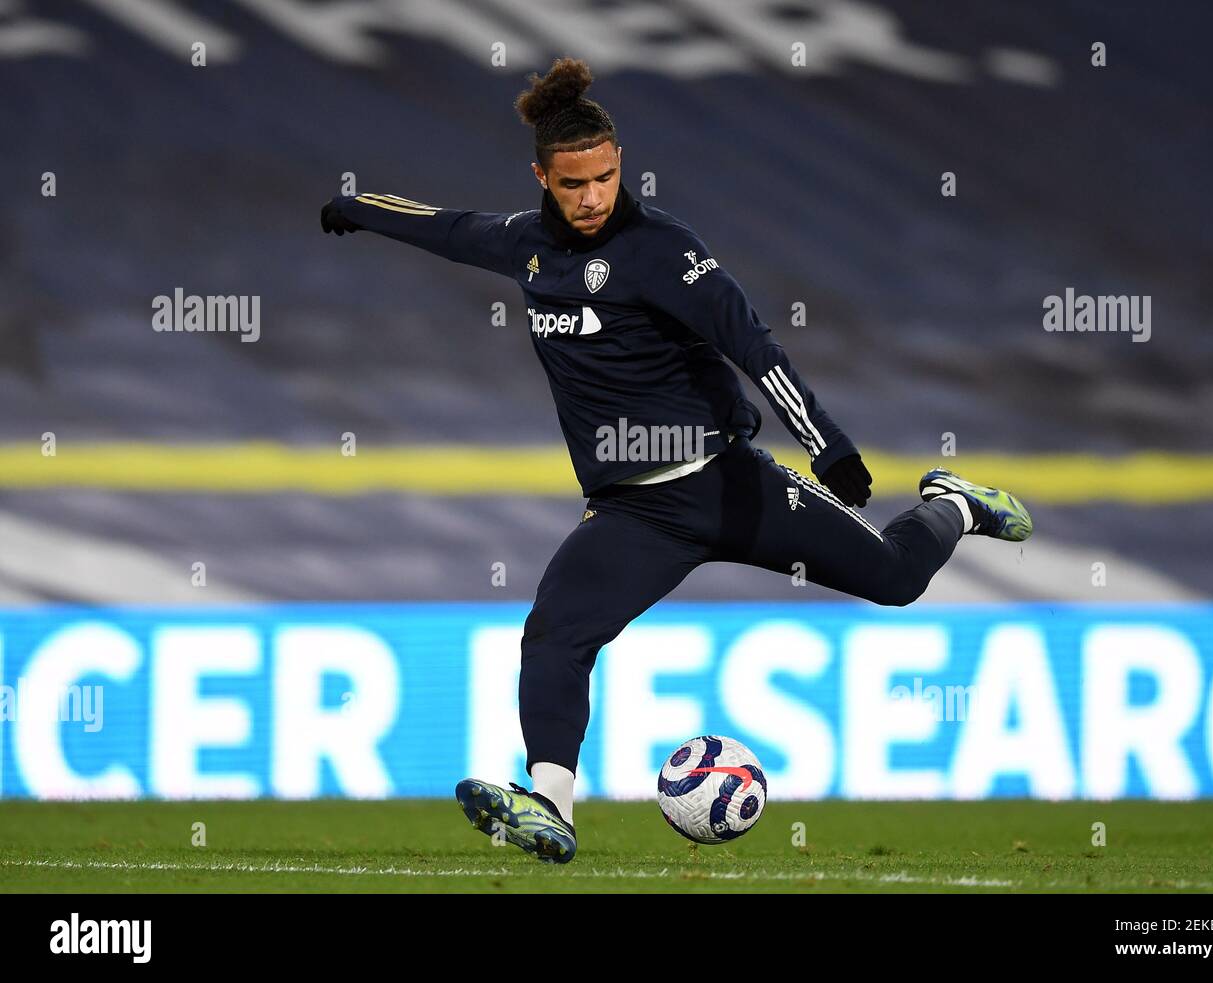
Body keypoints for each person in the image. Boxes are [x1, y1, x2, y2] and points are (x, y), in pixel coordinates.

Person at [320, 57, 1032, 864]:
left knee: (898, 580)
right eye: (573, 183)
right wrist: (358, 208)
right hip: (635, 514)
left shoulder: (662, 249)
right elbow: (446, 227)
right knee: (554, 635)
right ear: (542, 178)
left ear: (621, 165)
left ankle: (956, 502)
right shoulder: (527, 249)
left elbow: (750, 342)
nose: (593, 197)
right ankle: (550, 805)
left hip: (728, 484)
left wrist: (825, 440)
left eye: (606, 177)